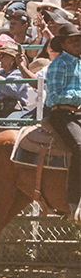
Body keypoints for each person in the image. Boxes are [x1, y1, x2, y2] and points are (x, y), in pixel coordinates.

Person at [42, 21, 81, 216]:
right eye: (71, 40)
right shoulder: (58, 64)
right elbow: (54, 95)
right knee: (79, 147)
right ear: (63, 44)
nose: (76, 43)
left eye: (78, 40)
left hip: (76, 114)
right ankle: (74, 200)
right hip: (61, 114)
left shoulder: (79, 63)